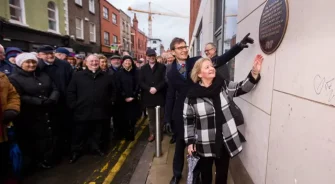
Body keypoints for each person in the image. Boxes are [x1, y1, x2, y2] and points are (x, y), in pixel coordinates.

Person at [165, 34, 254, 184]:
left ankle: (197, 177)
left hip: (201, 107)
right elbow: (170, 95)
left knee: (200, 150)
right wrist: (167, 118)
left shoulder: (195, 62)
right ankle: (177, 174)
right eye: (180, 48)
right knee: (181, 146)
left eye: (185, 46)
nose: (184, 50)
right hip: (182, 113)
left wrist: (238, 46)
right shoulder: (170, 70)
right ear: (173, 51)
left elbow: (219, 60)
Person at [184, 55, 263, 184]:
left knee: (222, 176)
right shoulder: (192, 96)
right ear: (199, 74)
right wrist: (190, 141)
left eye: (212, 66)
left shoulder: (223, 85)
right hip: (205, 142)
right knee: (206, 176)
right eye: (207, 67)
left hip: (224, 140)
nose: (211, 68)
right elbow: (188, 120)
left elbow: (241, 87)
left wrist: (254, 73)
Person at [9, 53, 60, 170]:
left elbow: (54, 88)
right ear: (20, 64)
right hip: (30, 113)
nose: (31, 64)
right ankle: (36, 161)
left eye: (33, 62)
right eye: (28, 62)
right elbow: (19, 96)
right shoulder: (14, 78)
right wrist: (40, 102)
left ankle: (47, 158)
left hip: (48, 110)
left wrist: (52, 98)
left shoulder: (43, 74)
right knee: (34, 138)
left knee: (49, 135)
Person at [67, 54, 114, 163]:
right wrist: (74, 105)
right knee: (79, 133)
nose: (94, 63)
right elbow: (70, 92)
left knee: (97, 132)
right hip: (82, 110)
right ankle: (76, 152)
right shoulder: (78, 76)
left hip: (100, 111)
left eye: (96, 61)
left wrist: (109, 102)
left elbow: (113, 91)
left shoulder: (106, 76)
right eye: (91, 61)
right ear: (86, 63)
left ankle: (96, 148)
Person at [37, 45, 74, 163]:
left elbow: (72, 83)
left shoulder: (64, 65)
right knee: (51, 131)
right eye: (45, 53)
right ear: (39, 55)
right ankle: (53, 154)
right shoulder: (37, 67)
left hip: (64, 102)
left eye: (51, 53)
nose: (49, 55)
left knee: (66, 128)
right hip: (46, 104)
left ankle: (67, 151)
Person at [139, 49, 166, 142]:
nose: (151, 57)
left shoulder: (162, 67)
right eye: (149, 56)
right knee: (151, 118)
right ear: (147, 57)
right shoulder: (143, 68)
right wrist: (149, 88)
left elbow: (164, 80)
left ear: (155, 56)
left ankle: (160, 134)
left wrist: (157, 88)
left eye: (153, 55)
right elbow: (141, 82)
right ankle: (152, 133)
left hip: (160, 96)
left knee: (161, 118)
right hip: (149, 96)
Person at [0, 70, 20, 183]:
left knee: (4, 155)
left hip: (3, 126)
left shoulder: (2, 77)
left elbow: (13, 95)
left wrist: (12, 108)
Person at [115, 55, 140, 141]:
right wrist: (124, 96)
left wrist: (133, 96)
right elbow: (118, 86)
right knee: (124, 119)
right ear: (123, 63)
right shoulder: (119, 73)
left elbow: (137, 85)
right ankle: (125, 134)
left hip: (133, 100)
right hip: (123, 100)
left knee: (133, 118)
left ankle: (131, 134)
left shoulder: (136, 72)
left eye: (129, 61)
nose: (127, 63)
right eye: (126, 61)